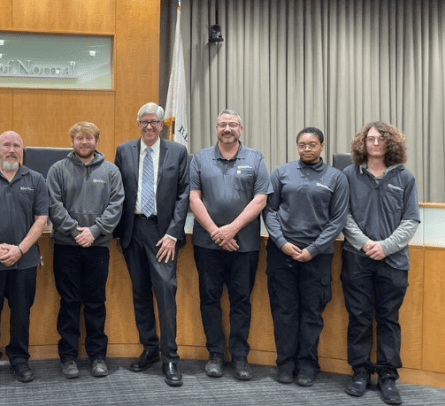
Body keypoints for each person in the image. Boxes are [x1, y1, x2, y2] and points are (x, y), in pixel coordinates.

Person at [189, 109, 272, 381]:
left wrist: (231, 229)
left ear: (241, 128)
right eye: (222, 125)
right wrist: (215, 232)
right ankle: (214, 354)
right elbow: (193, 198)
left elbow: (261, 199)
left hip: (244, 245)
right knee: (209, 299)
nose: (227, 129)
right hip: (207, 244)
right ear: (215, 129)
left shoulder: (255, 157)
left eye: (232, 125)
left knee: (241, 301)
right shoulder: (200, 158)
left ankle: (239, 357)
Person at [341, 122, 419, 405]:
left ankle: (387, 376)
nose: (375, 143)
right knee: (359, 317)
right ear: (362, 143)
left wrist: (385, 247)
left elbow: (411, 220)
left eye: (380, 139)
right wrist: (364, 243)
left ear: (390, 144)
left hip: (394, 262)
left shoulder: (405, 179)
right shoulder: (349, 175)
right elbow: (344, 216)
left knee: (388, 319)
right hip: (357, 258)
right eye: (370, 138)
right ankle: (360, 371)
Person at [264, 126, 349, 387]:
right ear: (297, 146)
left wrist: (313, 249)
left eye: (312, 144)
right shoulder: (281, 172)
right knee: (284, 312)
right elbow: (270, 211)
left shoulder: (336, 177)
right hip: (282, 254)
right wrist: (281, 242)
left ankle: (308, 365)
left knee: (312, 313)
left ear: (322, 146)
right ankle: (285, 364)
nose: (307, 149)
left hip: (318, 256)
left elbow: (338, 220)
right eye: (302, 144)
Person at [114, 103, 189, 387]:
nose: (149, 126)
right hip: (133, 231)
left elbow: (184, 195)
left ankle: (170, 357)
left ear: (162, 125)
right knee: (140, 293)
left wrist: (172, 233)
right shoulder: (123, 151)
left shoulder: (178, 152)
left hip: (163, 233)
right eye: (144, 121)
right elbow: (117, 190)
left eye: (154, 122)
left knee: (166, 294)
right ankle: (150, 348)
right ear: (137, 123)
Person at [0, 131, 50, 384]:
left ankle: (19, 360)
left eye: (17, 145)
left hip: (24, 261)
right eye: (6, 145)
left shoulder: (36, 180)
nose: (12, 149)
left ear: (22, 150)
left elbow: (41, 220)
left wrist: (20, 250)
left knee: (21, 313)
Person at [47, 121, 124, 379]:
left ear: (96, 141)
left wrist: (94, 231)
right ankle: (68, 357)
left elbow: (116, 206)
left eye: (89, 138)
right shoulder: (58, 169)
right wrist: (76, 230)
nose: (84, 142)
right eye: (79, 138)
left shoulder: (111, 171)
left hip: (98, 247)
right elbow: (54, 206)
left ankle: (97, 357)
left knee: (95, 303)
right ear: (72, 141)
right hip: (66, 247)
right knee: (68, 303)